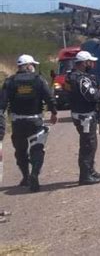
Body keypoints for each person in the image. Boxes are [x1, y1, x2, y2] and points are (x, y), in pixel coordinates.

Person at [0, 54, 57, 192]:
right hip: (35, 121)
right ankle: (34, 174)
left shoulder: (10, 81)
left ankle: (25, 176)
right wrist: (54, 112)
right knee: (37, 149)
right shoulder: (38, 80)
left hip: (17, 122)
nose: (34, 68)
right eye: (33, 65)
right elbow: (49, 97)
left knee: (20, 151)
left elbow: (2, 103)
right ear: (28, 65)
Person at [66, 51, 100, 185]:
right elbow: (92, 96)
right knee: (88, 145)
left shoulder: (73, 77)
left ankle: (90, 171)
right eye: (90, 61)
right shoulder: (81, 79)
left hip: (81, 115)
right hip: (84, 117)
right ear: (84, 63)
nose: (92, 64)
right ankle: (85, 176)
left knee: (91, 144)